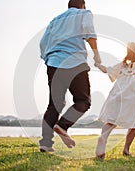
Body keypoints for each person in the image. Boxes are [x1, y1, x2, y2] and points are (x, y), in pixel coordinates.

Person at [39, 0, 102, 152]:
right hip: (75, 62)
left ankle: (46, 144)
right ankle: (62, 126)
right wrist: (96, 55)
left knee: (54, 104)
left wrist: (49, 59)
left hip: (54, 64)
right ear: (82, 5)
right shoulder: (84, 13)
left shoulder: (55, 20)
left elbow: (43, 43)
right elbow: (89, 32)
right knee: (83, 101)